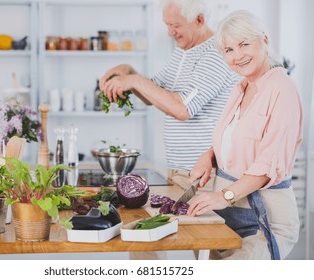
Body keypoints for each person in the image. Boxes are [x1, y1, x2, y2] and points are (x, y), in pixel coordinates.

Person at [187, 10, 303, 260]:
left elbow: (266, 166)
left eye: (244, 44)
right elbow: (236, 142)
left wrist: (222, 196)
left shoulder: (283, 90)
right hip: (229, 214)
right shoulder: (240, 89)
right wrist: (209, 156)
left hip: (264, 221)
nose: (237, 56)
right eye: (228, 50)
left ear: (264, 40)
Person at [100, 0, 240, 194]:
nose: (169, 32)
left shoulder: (215, 55)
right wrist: (127, 70)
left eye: (176, 25)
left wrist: (133, 80)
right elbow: (154, 94)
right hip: (180, 169)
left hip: (205, 175)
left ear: (199, 20)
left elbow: (182, 109)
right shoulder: (183, 51)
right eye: (167, 24)